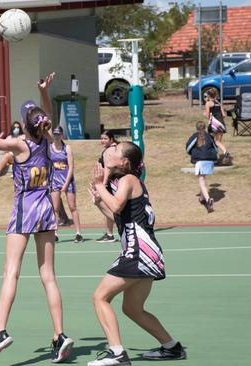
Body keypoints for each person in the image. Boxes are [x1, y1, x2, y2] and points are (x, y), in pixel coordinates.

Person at [0, 73, 74, 363]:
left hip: (25, 209)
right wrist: (44, 91)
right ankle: (59, 336)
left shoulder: (21, 145)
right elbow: (49, 113)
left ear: (24, 122)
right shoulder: (46, 139)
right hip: (46, 209)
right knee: (48, 276)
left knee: (11, 271)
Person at [87, 142, 186, 366]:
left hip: (139, 253)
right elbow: (120, 219)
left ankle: (117, 354)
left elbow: (117, 205)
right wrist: (98, 203)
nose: (110, 149)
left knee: (99, 298)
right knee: (132, 309)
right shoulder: (126, 182)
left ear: (124, 162)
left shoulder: (128, 179)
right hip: (147, 254)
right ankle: (172, 348)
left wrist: (99, 187)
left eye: (116, 149)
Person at [49, 126, 83, 243]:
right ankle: (55, 233)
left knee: (72, 206)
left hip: (67, 180)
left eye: (58, 134)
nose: (57, 136)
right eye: (55, 134)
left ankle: (78, 233)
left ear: (62, 135)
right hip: (54, 180)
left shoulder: (67, 148)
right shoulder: (50, 148)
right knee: (55, 208)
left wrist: (66, 183)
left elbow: (71, 167)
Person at [186, 121, 218, 213]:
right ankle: (202, 198)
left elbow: (188, 148)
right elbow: (216, 149)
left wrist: (194, 153)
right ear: (204, 127)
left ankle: (208, 200)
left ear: (196, 128)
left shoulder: (195, 136)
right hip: (210, 161)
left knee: (201, 180)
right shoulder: (210, 136)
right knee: (203, 180)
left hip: (200, 161)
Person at [96, 130, 119, 243]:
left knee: (106, 207)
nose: (103, 140)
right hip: (113, 182)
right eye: (102, 138)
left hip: (110, 182)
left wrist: (103, 184)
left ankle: (121, 227)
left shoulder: (109, 150)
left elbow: (108, 169)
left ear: (111, 139)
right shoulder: (114, 148)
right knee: (109, 208)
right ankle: (109, 234)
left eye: (105, 138)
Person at [203, 88, 231, 165]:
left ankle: (226, 153)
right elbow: (224, 115)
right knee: (217, 142)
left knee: (213, 141)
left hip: (214, 124)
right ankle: (214, 158)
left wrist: (204, 113)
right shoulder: (218, 103)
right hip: (221, 124)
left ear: (208, 95)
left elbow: (208, 115)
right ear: (215, 95)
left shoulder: (208, 103)